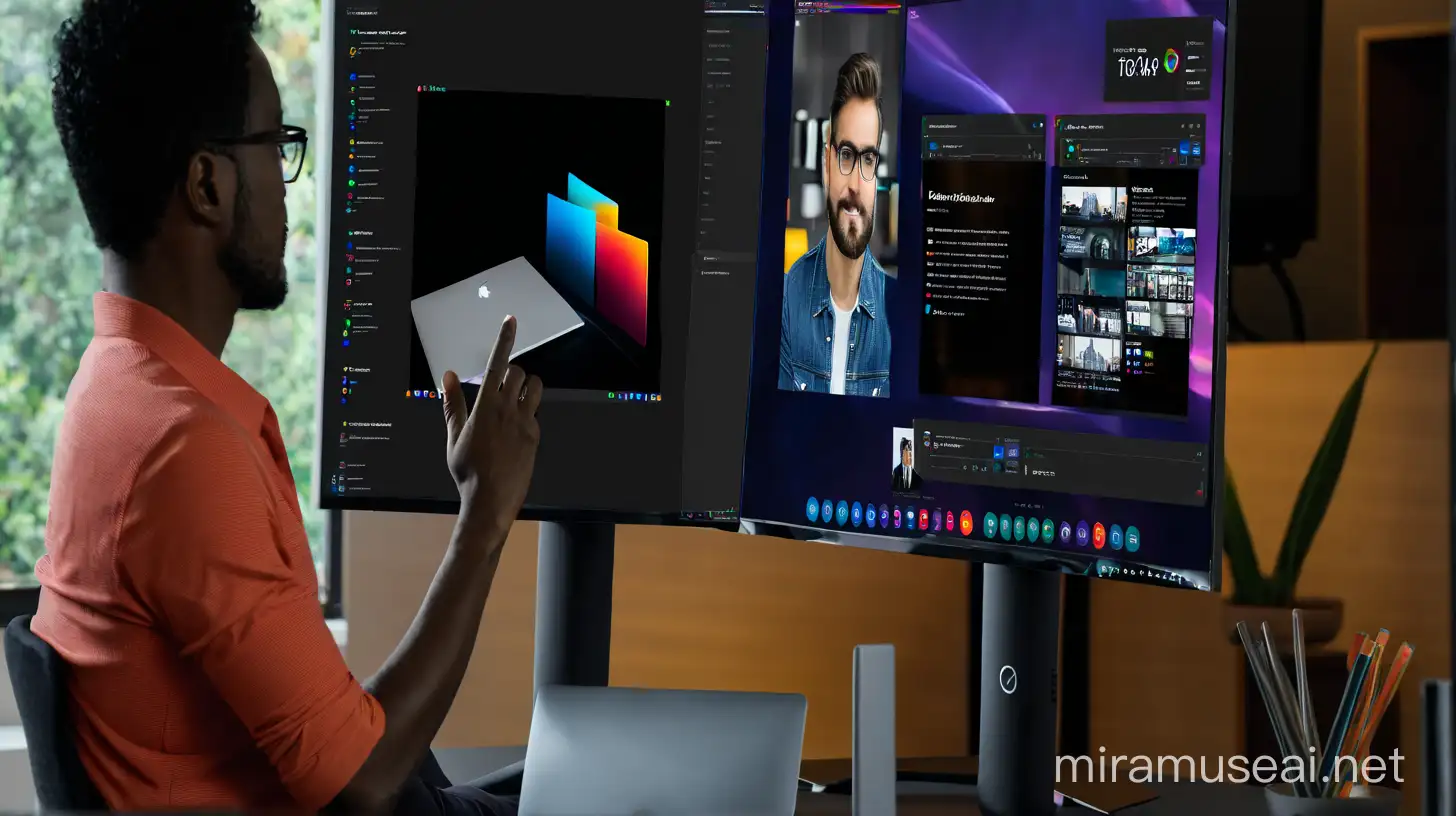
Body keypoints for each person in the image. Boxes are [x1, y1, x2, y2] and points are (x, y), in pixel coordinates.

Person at [31, 2, 536, 814]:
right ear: (207, 183)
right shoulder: (184, 449)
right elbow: (359, 786)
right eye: (278, 144)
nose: (289, 179)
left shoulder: (111, 390)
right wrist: (487, 510)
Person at [779, 52, 891, 398]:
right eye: (846, 155)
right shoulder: (785, 300)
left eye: (868, 159)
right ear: (827, 160)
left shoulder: (897, 316)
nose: (856, 184)